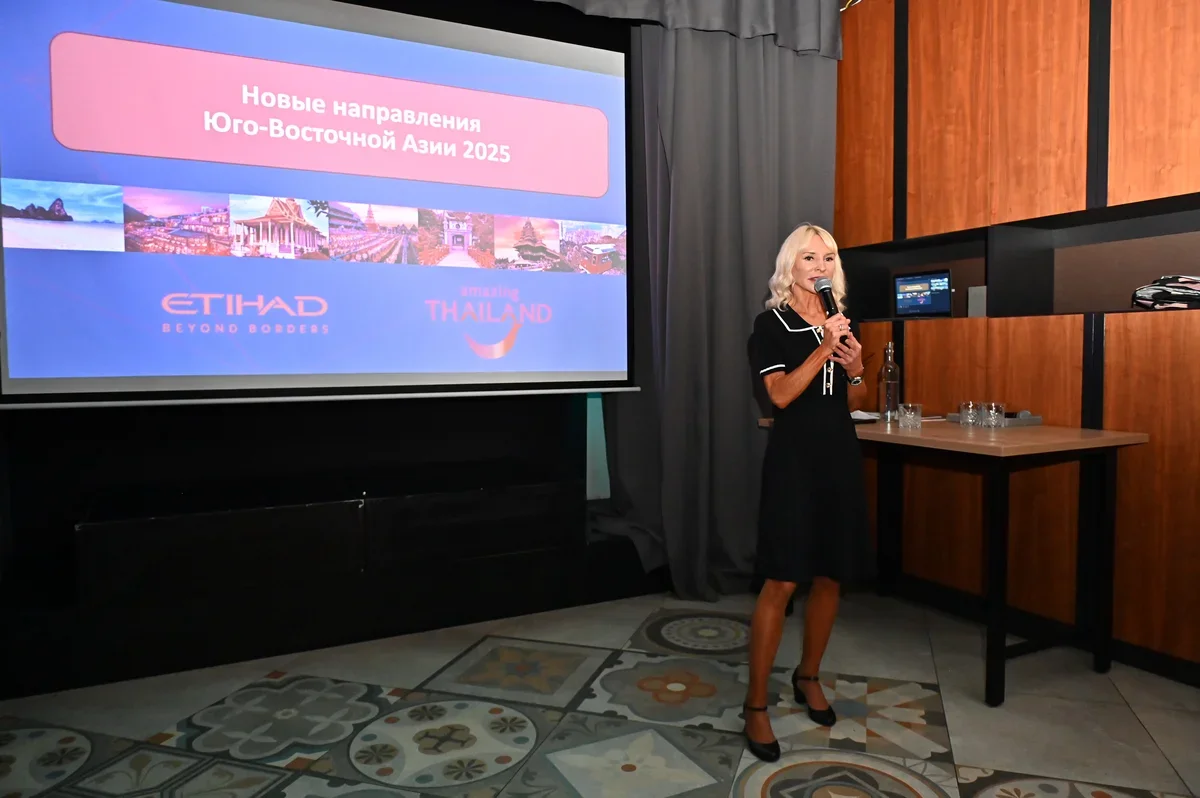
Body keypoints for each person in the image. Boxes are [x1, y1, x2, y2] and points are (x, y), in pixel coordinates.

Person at [742, 223, 871, 762]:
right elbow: (779, 396)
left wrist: (856, 368)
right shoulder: (770, 324)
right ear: (790, 266)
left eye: (828, 258)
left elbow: (854, 397)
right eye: (809, 258)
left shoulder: (842, 319)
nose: (820, 266)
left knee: (831, 574)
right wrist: (822, 350)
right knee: (783, 578)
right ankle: (755, 705)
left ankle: (809, 675)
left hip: (839, 456)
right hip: (794, 460)